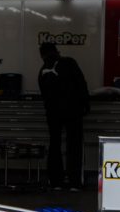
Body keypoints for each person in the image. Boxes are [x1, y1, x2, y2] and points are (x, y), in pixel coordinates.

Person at [37, 42, 90, 189]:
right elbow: (81, 83)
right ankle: (74, 182)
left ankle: (56, 181)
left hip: (53, 113)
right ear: (57, 51)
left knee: (55, 144)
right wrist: (86, 104)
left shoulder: (42, 70)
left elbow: (44, 94)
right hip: (73, 110)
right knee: (74, 145)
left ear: (42, 55)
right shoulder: (69, 62)